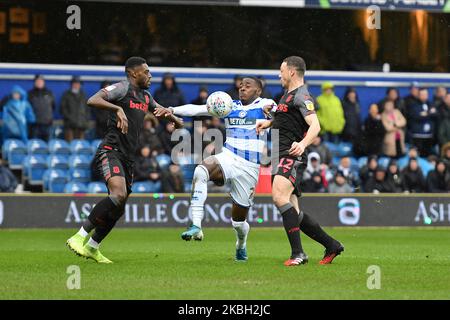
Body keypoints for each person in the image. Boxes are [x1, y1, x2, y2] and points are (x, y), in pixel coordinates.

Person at [66, 57, 183, 263]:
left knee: (119, 207)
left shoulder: (146, 97)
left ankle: (93, 247)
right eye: (146, 72)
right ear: (133, 73)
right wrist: (117, 109)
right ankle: (79, 237)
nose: (150, 75)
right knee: (118, 195)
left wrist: (174, 118)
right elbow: (92, 100)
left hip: (128, 158)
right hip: (111, 151)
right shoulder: (121, 88)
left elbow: (159, 110)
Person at [156, 76, 276, 262]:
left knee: (238, 222)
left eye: (247, 86)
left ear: (258, 91)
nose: (242, 88)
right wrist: (172, 109)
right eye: (241, 85)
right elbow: (198, 109)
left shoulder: (265, 104)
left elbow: (282, 113)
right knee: (201, 170)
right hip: (228, 156)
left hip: (250, 167)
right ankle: (196, 225)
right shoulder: (229, 106)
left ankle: (241, 245)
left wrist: (273, 115)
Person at [256, 56, 343, 266]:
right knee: (293, 212)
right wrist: (269, 123)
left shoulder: (302, 95)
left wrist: (302, 144)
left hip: (290, 155)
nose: (279, 74)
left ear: (292, 72)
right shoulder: (288, 96)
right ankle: (331, 245)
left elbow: (315, 125)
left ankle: (298, 254)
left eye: (281, 71)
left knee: (278, 196)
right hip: (280, 155)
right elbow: (287, 121)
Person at [409, 88, 438, 156]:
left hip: (429, 136)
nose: (424, 96)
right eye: (422, 94)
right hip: (418, 136)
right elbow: (417, 116)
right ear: (418, 95)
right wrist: (429, 113)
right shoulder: (414, 105)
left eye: (425, 94)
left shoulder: (431, 104)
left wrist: (425, 114)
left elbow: (436, 114)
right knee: (418, 155)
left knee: (429, 155)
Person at [60, 76, 90, 141]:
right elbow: (63, 109)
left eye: (78, 83)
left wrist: (85, 120)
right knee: (70, 145)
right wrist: (70, 118)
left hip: (81, 125)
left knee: (80, 146)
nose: (76, 85)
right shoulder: (66, 95)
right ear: (71, 84)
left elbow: (87, 109)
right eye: (75, 83)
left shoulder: (83, 95)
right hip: (69, 126)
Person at [28, 75, 55, 141]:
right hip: (35, 126)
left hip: (47, 124)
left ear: (44, 82)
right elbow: (27, 109)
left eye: (41, 81)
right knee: (35, 146)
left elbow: (53, 106)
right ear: (35, 82)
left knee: (48, 147)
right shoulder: (30, 94)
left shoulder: (49, 93)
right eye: (37, 81)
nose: (39, 82)